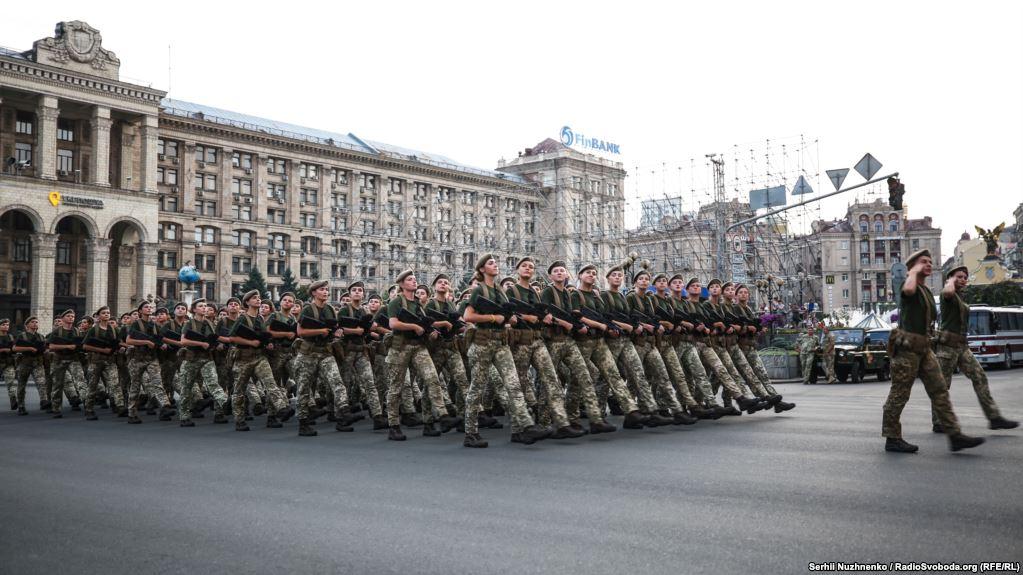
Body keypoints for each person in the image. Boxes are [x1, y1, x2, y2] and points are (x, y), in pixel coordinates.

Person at [882, 249, 984, 453]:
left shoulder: (927, 291)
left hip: (925, 349)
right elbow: (909, 292)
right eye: (923, 262)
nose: (929, 264)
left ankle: (954, 435)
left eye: (930, 261)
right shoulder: (907, 284)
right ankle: (892, 437)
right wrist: (912, 272)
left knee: (940, 390)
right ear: (913, 266)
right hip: (907, 350)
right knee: (900, 393)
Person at [461, 255, 548, 447]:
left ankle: (522, 428)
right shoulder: (479, 290)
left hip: (501, 343)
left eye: (495, 262)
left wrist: (510, 319)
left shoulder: (500, 290)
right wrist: (493, 317)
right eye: (491, 263)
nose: (495, 265)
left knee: (514, 384)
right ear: (482, 269)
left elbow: (506, 317)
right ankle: (470, 432)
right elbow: (468, 316)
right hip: (482, 344)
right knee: (477, 389)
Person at [932, 266, 1017, 432]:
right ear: (950, 278)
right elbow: (948, 293)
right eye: (959, 277)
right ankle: (938, 421)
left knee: (980, 377)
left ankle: (994, 417)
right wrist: (949, 281)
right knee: (942, 386)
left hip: (962, 346)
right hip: (948, 347)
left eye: (965, 277)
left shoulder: (961, 296)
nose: (964, 279)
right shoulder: (946, 294)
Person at [384, 270, 462, 441]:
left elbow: (426, 324)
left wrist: (430, 332)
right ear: (402, 284)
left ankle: (442, 416)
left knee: (432, 378)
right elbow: (393, 324)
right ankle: (394, 425)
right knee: (396, 387)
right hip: (400, 347)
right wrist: (413, 327)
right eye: (410, 280)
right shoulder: (396, 302)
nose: (414, 282)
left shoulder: (419, 305)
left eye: (414, 279)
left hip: (419, 346)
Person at [81, 306, 123, 420]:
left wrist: (121, 348)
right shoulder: (93, 330)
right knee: (92, 386)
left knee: (115, 384)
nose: (106, 314)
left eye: (108, 313)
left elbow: (118, 343)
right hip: (96, 361)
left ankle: (120, 406)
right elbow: (85, 346)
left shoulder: (114, 329)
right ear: (98, 316)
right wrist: (102, 350)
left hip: (110, 361)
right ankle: (89, 409)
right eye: (103, 313)